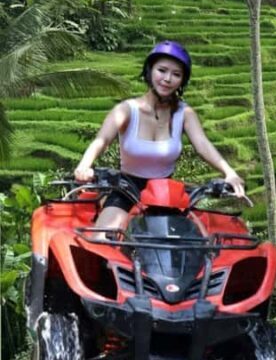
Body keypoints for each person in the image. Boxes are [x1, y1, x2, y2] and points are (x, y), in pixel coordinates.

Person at [74, 40, 247, 230]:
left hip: (167, 194)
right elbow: (102, 140)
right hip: (126, 189)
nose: (167, 79)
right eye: (162, 70)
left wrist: (229, 172)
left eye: (176, 74)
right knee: (103, 239)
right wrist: (84, 166)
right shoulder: (127, 110)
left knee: (198, 246)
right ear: (150, 71)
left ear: (182, 80)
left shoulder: (184, 113)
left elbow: (203, 145)